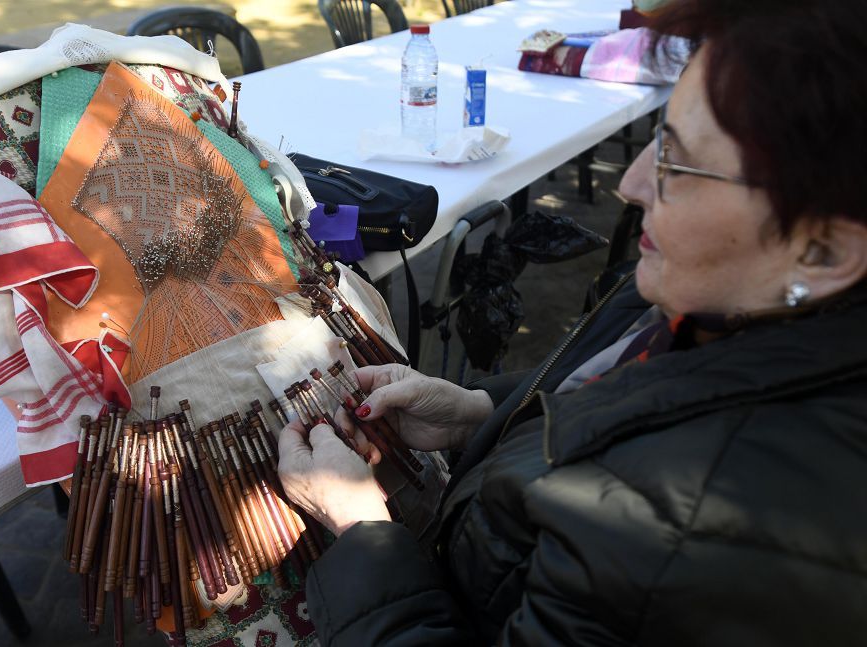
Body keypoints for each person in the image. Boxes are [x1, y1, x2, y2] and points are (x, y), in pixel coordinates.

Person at [275, 0, 867, 644]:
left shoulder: (705, 528)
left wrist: (364, 534)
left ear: (826, 251)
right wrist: (479, 411)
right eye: (657, 139)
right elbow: (624, 396)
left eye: (677, 163)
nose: (632, 185)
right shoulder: (715, 294)